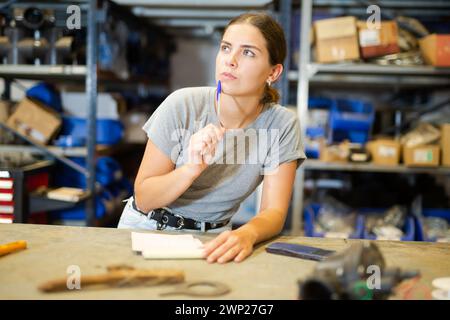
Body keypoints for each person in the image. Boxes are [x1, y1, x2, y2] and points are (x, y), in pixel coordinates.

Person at [118, 12, 306, 264]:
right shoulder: (182, 105)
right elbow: (144, 197)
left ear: (273, 72)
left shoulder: (282, 124)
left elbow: (274, 211)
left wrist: (247, 234)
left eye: (248, 52)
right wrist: (191, 168)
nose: (231, 60)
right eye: (226, 48)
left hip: (213, 240)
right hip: (148, 230)